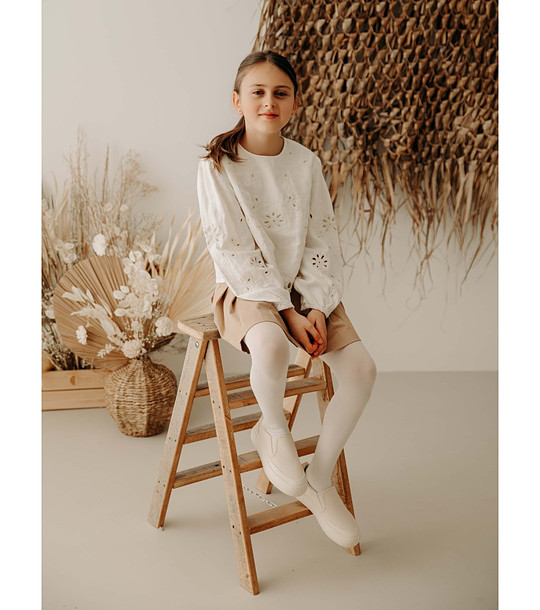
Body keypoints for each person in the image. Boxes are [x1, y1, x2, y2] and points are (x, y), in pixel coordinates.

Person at [196, 50, 377, 549]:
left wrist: (313, 306)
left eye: (280, 93)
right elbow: (232, 247)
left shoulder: (305, 162)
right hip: (247, 286)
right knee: (273, 346)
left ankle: (319, 477)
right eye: (257, 92)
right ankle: (272, 430)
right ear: (237, 100)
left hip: (306, 284)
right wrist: (284, 313)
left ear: (295, 103)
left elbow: (322, 238)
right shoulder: (218, 165)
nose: (268, 102)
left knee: (362, 370)